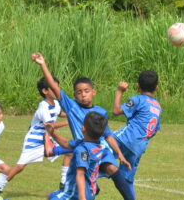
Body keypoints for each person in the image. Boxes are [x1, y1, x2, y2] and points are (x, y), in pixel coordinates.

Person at [31, 52, 134, 200]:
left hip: (100, 149)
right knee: (82, 180)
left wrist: (121, 155)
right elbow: (53, 86)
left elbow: (108, 135)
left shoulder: (100, 112)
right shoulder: (71, 106)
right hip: (82, 146)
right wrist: (42, 64)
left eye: (86, 91)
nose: (83, 95)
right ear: (74, 94)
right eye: (79, 92)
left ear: (93, 92)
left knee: (112, 168)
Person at [0, 77, 68, 198]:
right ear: (45, 91)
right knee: (20, 167)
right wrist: (69, 122)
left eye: (57, 87)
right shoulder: (43, 106)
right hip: (34, 140)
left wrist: (72, 114)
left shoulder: (56, 103)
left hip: (48, 139)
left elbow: (59, 113)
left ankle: (64, 186)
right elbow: (49, 125)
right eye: (53, 88)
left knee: (70, 151)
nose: (57, 90)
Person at [111, 70, 163, 197]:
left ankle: (88, 184)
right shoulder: (158, 106)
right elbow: (154, 130)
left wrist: (119, 91)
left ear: (137, 85)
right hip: (139, 147)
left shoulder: (137, 99)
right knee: (126, 180)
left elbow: (116, 111)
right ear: (156, 88)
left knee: (97, 147)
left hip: (125, 139)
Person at [47, 112, 108, 200]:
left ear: (83, 129)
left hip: (75, 193)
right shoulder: (99, 145)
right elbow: (66, 144)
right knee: (50, 196)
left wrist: (82, 198)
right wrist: (52, 133)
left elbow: (80, 174)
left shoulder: (82, 150)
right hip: (90, 191)